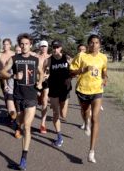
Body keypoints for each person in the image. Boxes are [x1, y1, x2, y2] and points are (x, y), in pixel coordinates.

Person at [1, 33, 43, 170]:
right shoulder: (14, 59)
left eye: (27, 44)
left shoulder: (35, 59)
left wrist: (40, 83)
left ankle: (23, 158)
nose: (24, 46)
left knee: (27, 125)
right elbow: (2, 72)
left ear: (31, 45)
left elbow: (41, 72)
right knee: (20, 121)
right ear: (19, 45)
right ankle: (17, 125)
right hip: (18, 96)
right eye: (22, 44)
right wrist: (13, 75)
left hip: (31, 96)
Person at [70, 34, 108, 163]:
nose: (94, 45)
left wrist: (105, 78)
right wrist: (83, 69)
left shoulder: (103, 57)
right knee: (85, 112)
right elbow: (71, 72)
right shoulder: (82, 56)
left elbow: (104, 71)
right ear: (88, 44)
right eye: (91, 42)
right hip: (82, 90)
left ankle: (91, 152)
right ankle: (85, 123)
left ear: (100, 44)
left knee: (95, 118)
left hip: (97, 90)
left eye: (96, 42)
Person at [43, 40, 72, 147]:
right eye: (54, 47)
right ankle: (59, 136)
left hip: (65, 89)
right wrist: (44, 76)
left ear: (61, 48)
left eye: (57, 47)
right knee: (56, 113)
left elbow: (74, 70)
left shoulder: (67, 58)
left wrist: (70, 77)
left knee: (63, 115)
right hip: (54, 89)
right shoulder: (49, 60)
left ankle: (61, 114)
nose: (55, 49)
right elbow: (42, 70)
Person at [0, 39, 17, 126]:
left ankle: (15, 117)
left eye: (7, 44)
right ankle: (11, 116)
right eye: (4, 44)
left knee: (14, 98)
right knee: (7, 98)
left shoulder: (14, 54)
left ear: (10, 45)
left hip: (13, 80)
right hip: (3, 79)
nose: (5, 46)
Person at [37, 40, 51, 134]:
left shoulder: (50, 57)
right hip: (36, 81)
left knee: (45, 101)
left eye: (45, 46)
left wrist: (49, 75)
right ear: (39, 47)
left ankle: (43, 124)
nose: (43, 48)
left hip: (46, 82)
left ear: (47, 47)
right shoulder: (36, 57)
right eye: (42, 46)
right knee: (37, 100)